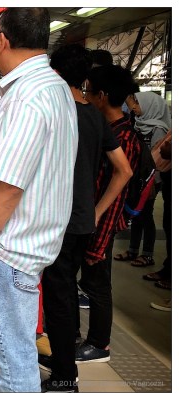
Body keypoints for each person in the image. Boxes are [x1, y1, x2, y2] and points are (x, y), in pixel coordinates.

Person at [0, 8, 78, 392]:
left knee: (13, 368)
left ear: (3, 40)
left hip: (4, 252)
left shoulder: (27, 97)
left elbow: (9, 185)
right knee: (10, 357)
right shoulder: (55, 88)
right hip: (24, 247)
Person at [41, 44, 133, 393]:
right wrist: (96, 210)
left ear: (54, 72)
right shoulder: (94, 115)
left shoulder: (56, 112)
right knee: (64, 293)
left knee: (58, 298)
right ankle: (62, 357)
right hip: (81, 221)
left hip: (56, 221)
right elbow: (123, 170)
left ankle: (65, 376)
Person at [76, 64, 142, 365]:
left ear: (102, 96)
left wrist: (98, 228)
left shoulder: (124, 137)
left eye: (88, 91)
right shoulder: (108, 128)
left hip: (102, 221)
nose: (86, 97)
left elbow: (117, 191)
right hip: (93, 220)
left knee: (98, 284)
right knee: (91, 280)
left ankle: (99, 344)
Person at [114, 91, 171, 267]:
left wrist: (152, 182)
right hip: (138, 177)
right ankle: (133, 250)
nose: (134, 107)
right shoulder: (138, 123)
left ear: (150, 106)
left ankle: (147, 254)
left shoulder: (158, 129)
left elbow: (158, 160)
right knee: (136, 214)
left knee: (146, 215)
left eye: (137, 103)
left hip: (150, 180)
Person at [144, 130, 172, 291]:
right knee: (169, 227)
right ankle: (168, 269)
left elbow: (166, 149)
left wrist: (167, 147)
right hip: (169, 180)